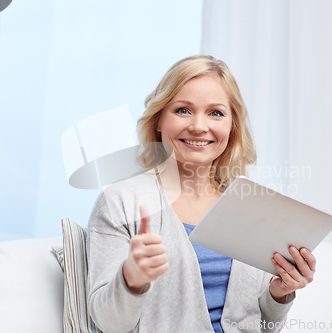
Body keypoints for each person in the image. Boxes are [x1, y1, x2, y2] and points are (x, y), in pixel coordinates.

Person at [86, 55, 316, 333]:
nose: (198, 126)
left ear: (232, 128)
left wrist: (280, 293)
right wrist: (131, 279)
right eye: (182, 110)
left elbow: (266, 327)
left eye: (216, 113)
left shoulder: (248, 206)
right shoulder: (122, 202)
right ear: (159, 120)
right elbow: (108, 324)